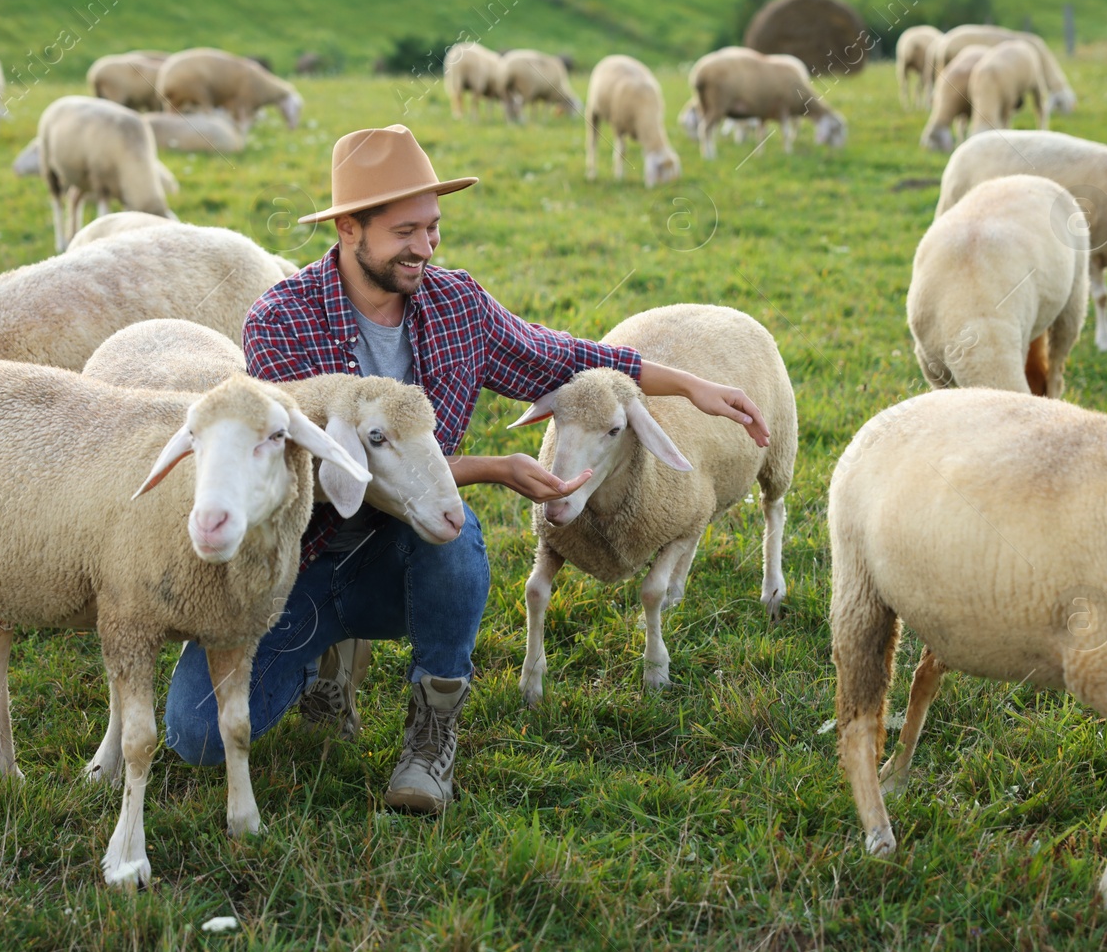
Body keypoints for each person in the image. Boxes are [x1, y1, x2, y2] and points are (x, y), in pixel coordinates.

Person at [164, 124, 771, 813]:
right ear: (348, 229)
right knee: (194, 735)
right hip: (302, 559)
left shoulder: (457, 306)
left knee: (455, 542)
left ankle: (431, 730)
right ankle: (318, 658)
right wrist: (487, 466)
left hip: (408, 551)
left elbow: (559, 355)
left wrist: (690, 385)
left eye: (433, 227)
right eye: (405, 231)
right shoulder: (281, 320)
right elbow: (317, 467)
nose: (425, 247)